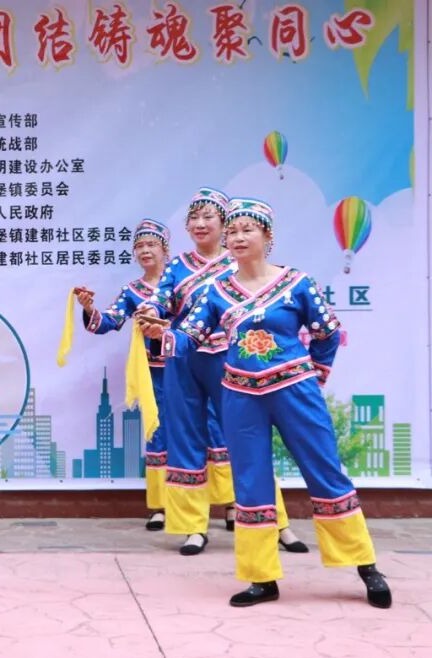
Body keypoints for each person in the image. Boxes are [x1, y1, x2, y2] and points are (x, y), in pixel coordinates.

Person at [160, 197, 390, 608]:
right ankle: (261, 577)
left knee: (325, 470)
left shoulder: (296, 282)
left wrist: (314, 376)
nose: (237, 237)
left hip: (295, 390)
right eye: (232, 231)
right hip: (240, 396)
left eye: (247, 229)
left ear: (267, 236)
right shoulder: (216, 291)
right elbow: (189, 336)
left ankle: (366, 566)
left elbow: (327, 333)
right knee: (250, 480)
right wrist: (162, 333)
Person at [139, 189, 306, 557]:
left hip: (231, 359)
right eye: (193, 218)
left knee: (247, 437)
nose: (200, 224)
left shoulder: (239, 263)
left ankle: (277, 523)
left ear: (225, 224)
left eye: (208, 217)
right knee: (185, 440)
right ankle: (193, 527)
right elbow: (160, 299)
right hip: (184, 358)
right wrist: (151, 312)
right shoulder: (177, 266)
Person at [77, 218, 170, 531]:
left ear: (165, 250)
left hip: (188, 368)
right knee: (157, 432)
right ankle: (159, 506)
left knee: (207, 429)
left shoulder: (181, 284)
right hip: (153, 373)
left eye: (151, 244)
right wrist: (88, 308)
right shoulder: (133, 292)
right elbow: (108, 322)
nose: (145, 251)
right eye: (139, 246)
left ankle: (226, 503)